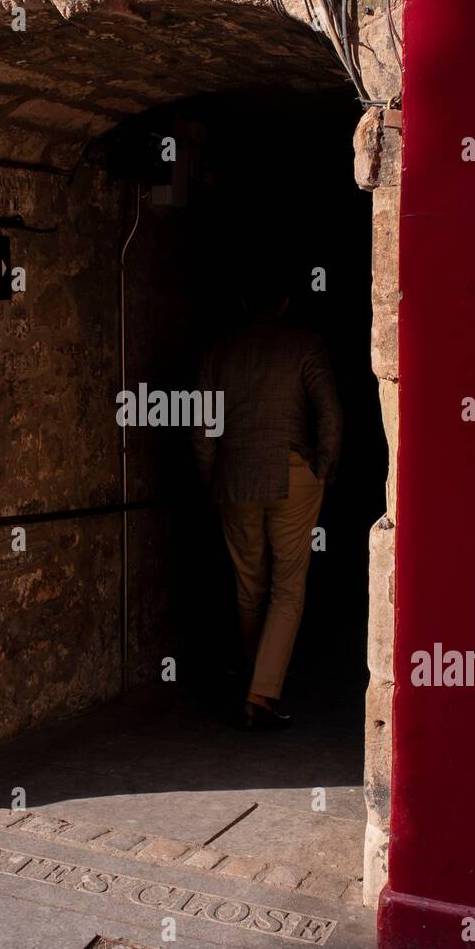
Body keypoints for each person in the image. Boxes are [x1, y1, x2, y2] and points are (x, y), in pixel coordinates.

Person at [192, 278, 342, 728]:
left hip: (235, 477)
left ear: (242, 299)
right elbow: (330, 413)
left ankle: (259, 678)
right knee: (288, 587)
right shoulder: (305, 344)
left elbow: (202, 431)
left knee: (248, 586)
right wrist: (325, 469)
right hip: (294, 472)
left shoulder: (218, 352)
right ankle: (261, 691)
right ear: (286, 303)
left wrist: (211, 480)